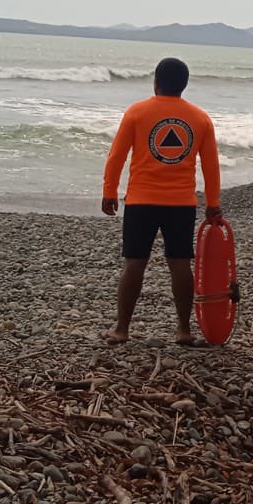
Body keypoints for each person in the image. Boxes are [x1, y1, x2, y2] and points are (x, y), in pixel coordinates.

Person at [101, 56, 221, 345]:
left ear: (155, 82)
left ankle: (122, 329)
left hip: (141, 201)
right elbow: (211, 164)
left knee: (134, 264)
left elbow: (117, 156)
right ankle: (183, 330)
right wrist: (213, 203)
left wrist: (109, 191)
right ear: (184, 85)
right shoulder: (200, 118)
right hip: (181, 204)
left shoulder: (136, 113)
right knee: (180, 265)